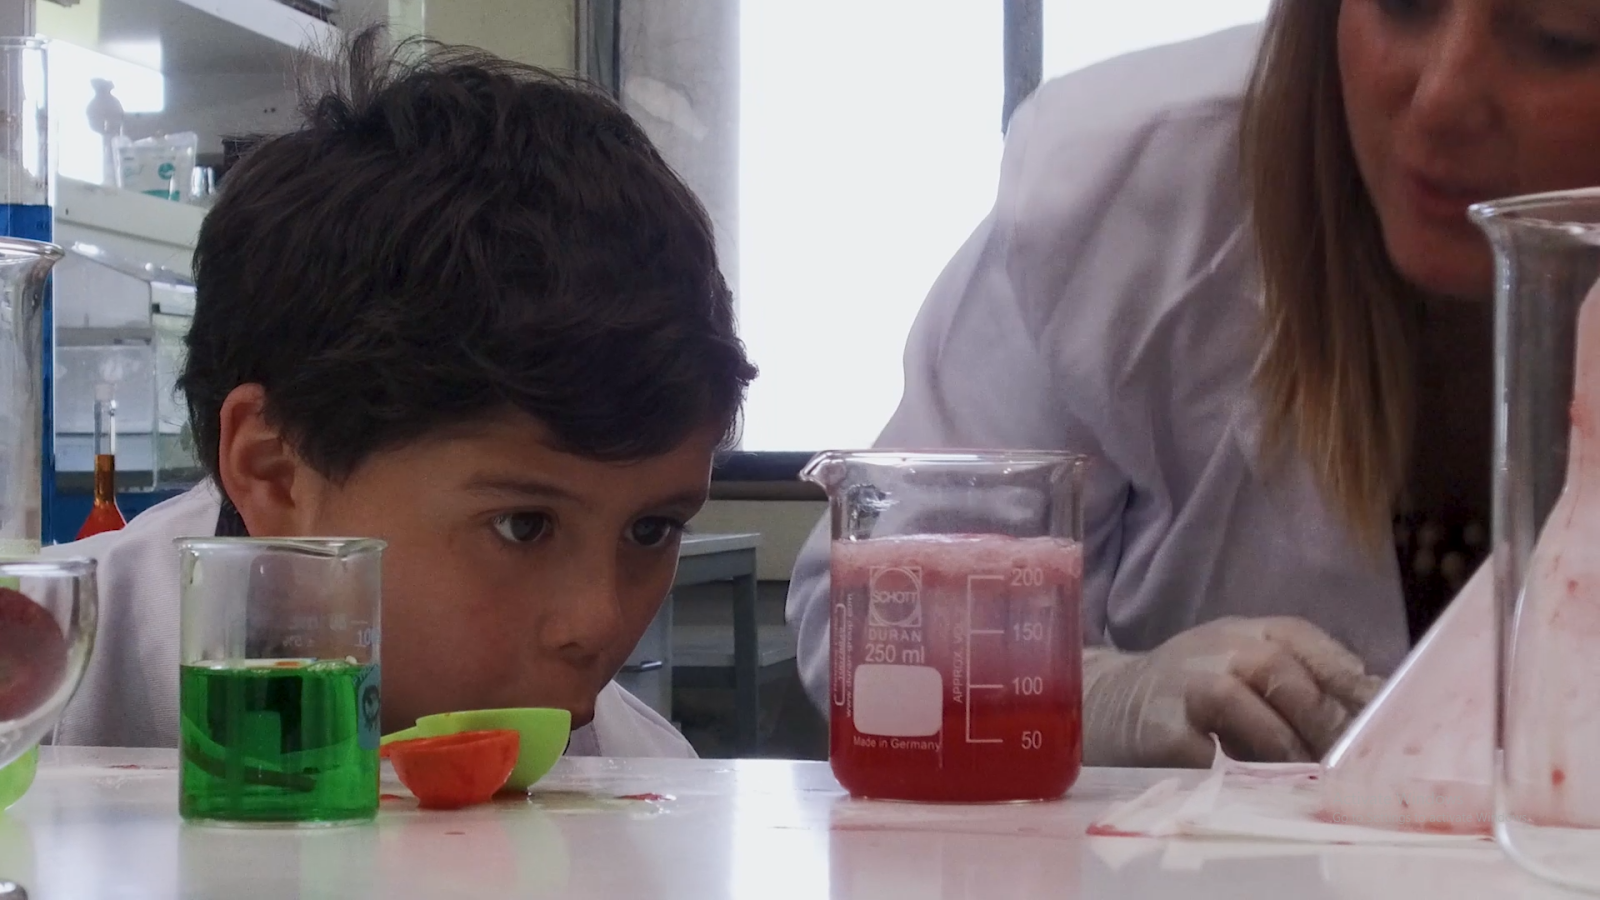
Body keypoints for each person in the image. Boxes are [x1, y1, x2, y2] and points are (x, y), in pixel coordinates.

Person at [789, 0, 1600, 768]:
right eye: (1402, 2)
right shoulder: (1133, 183)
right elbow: (866, 622)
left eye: (1559, 35)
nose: (1442, 100)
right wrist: (1106, 697)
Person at [48, 29, 757, 756]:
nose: (597, 623)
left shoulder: (648, 774)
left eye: (652, 530)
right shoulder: (39, 708)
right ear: (277, 474)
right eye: (524, 525)